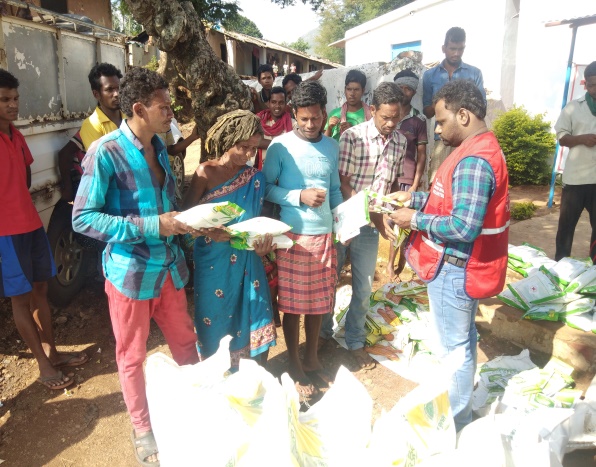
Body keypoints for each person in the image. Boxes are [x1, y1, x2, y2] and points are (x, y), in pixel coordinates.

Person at [73, 67, 200, 466]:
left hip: (167, 268)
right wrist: (151, 225)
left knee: (185, 342)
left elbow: (163, 207)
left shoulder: (160, 146)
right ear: (140, 108)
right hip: (130, 274)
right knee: (131, 355)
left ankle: (193, 403)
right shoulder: (105, 152)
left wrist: (191, 225)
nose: (172, 114)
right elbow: (83, 218)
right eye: (165, 107)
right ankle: (142, 426)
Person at [390, 80, 509, 431]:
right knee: (463, 342)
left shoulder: (475, 159)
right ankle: (460, 413)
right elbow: (448, 201)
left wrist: (414, 219)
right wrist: (411, 199)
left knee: (454, 352)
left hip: (455, 268)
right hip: (461, 267)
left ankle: (455, 423)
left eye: (441, 122)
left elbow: (462, 226)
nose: (437, 129)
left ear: (464, 114)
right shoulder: (475, 149)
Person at [0, 69, 88, 391]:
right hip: (5, 235)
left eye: (15, 98)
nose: (13, 105)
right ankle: (42, 364)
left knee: (41, 290)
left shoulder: (17, 135)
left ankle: (52, 351)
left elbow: (23, 179)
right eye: (5, 100)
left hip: (31, 224)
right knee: (20, 299)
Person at [263, 81, 343, 396]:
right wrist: (299, 195)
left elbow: (334, 189)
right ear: (294, 114)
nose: (310, 125)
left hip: (324, 236)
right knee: (294, 305)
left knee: (319, 303)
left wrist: (342, 225)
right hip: (292, 237)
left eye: (316, 118)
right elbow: (267, 187)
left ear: (324, 113)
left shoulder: (331, 147)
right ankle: (294, 362)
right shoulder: (279, 147)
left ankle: (312, 358)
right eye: (304, 119)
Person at [319, 82, 407, 370]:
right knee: (330, 280)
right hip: (345, 221)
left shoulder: (401, 141)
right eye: (385, 117)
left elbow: (391, 184)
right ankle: (322, 334)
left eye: (396, 117)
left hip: (371, 225)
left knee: (364, 286)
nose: (391, 123)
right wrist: (368, 211)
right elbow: (343, 182)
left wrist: (384, 216)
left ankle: (355, 339)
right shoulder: (353, 137)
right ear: (372, 110)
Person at [183, 110, 277, 368]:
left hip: (248, 259)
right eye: (243, 146)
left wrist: (262, 246)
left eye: (253, 149)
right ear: (228, 139)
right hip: (212, 259)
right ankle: (217, 375)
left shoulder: (255, 179)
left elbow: (255, 223)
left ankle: (252, 377)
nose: (248, 154)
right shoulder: (205, 173)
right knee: (214, 316)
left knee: (253, 312)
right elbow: (184, 220)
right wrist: (210, 232)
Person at [422, 27, 485, 183]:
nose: (456, 53)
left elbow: (481, 107)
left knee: (465, 181)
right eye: (452, 49)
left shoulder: (474, 73)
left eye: (460, 49)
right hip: (442, 139)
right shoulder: (430, 75)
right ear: (444, 48)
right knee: (438, 183)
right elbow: (427, 111)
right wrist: (441, 106)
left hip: (468, 138)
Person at [386, 69, 428, 281]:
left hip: (406, 181)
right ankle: (390, 264)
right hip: (388, 179)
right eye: (401, 87)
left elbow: (421, 155)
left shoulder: (418, 120)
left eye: (409, 88)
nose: (405, 91)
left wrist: (414, 185)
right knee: (389, 220)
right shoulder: (386, 116)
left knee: (402, 223)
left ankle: (399, 262)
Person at [554, 61, 596, 263]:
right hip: (576, 180)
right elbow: (562, 137)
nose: (595, 89)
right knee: (566, 229)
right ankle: (560, 267)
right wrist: (582, 139)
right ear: (585, 84)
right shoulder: (573, 108)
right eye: (591, 85)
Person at [79, 62, 125, 151]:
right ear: (96, 94)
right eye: (109, 89)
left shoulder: (130, 116)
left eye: (118, 88)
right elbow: (101, 161)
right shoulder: (92, 125)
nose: (117, 94)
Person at [324, 69, 372, 142]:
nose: (352, 94)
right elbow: (325, 141)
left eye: (356, 89)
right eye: (349, 89)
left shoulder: (370, 114)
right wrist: (329, 128)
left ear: (363, 91)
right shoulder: (334, 114)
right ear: (345, 90)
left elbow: (373, 140)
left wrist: (352, 131)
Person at [256, 86, 293, 169]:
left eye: (281, 102)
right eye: (274, 102)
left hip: (285, 170)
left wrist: (265, 143)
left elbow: (295, 146)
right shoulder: (259, 121)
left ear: (285, 103)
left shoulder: (292, 123)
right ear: (268, 103)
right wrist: (283, 145)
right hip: (262, 169)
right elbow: (255, 142)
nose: (277, 106)